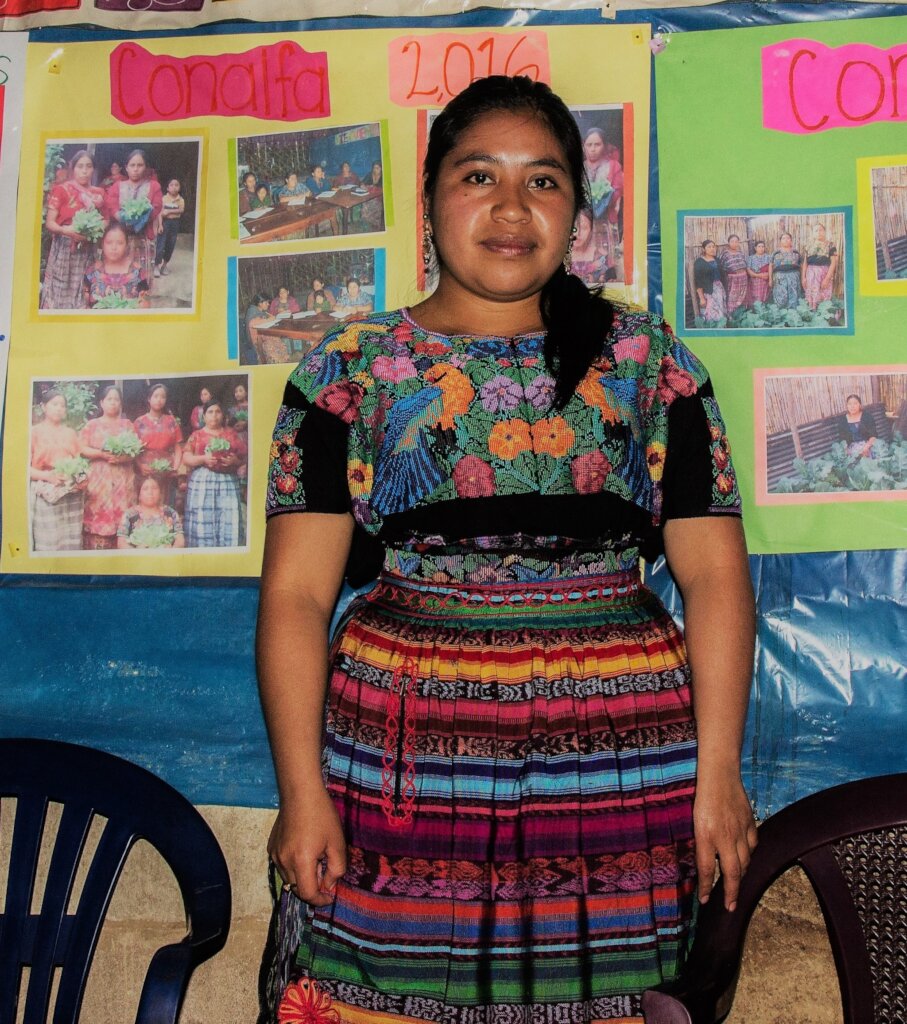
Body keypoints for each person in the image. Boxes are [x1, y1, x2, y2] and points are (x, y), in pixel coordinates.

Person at [258, 75, 756, 1024]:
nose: (509, 207)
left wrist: (719, 776)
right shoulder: (344, 374)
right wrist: (299, 792)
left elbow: (714, 578)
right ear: (431, 196)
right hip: (400, 772)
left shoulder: (653, 366)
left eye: (543, 182)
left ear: (579, 212)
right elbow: (292, 600)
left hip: (619, 769)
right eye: (478, 175)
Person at [40, 150, 107, 310]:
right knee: (60, 288)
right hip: (64, 249)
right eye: (80, 166)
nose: (84, 171)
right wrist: (67, 231)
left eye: (89, 166)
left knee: (83, 289)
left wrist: (94, 231)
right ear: (73, 168)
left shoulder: (98, 194)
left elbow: (106, 219)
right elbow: (50, 223)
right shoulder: (62, 190)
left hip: (87, 249)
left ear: (93, 169)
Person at [79, 385, 138, 550]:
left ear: (120, 403)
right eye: (109, 399)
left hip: (123, 478)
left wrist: (122, 457)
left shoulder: (127, 425)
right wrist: (101, 454)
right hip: (99, 479)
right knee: (98, 508)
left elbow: (135, 451)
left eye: (116, 400)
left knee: (124, 511)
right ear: (102, 402)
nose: (113, 403)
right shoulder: (92, 425)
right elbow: (81, 448)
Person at [182, 401, 247, 547]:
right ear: (204, 416)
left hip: (227, 482)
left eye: (218, 412)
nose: (214, 416)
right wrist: (203, 459)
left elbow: (243, 458)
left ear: (223, 415)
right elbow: (186, 458)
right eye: (210, 412)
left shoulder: (231, 434)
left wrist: (234, 461)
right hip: (203, 482)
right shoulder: (197, 435)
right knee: (203, 517)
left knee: (228, 516)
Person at [30, 389, 86, 552]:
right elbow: (23, 468)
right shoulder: (34, 432)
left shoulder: (70, 433)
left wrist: (79, 478)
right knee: (49, 541)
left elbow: (79, 463)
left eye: (62, 405)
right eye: (54, 404)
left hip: (71, 494)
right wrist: (48, 476)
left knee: (70, 540)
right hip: (46, 494)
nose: (59, 408)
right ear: (43, 406)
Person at [105, 149, 163, 292]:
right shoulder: (118, 186)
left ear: (146, 167)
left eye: (140, 165)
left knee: (141, 282)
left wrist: (140, 219)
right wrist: (120, 216)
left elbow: (156, 207)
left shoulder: (153, 186)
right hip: (121, 240)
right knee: (120, 279)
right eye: (132, 165)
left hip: (144, 239)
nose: (136, 169)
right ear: (126, 167)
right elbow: (111, 204)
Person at [132, 383, 183, 500]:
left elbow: (178, 447)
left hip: (166, 471)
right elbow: (133, 449)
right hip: (145, 471)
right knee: (146, 504)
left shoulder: (171, 421)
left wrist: (174, 468)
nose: (159, 400)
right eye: (155, 396)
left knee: (165, 504)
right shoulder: (139, 422)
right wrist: (140, 465)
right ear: (149, 399)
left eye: (163, 397)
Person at [83, 222, 149, 308]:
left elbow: (145, 304)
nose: (114, 247)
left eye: (120, 243)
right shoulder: (92, 272)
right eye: (109, 242)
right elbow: (85, 304)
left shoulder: (138, 272)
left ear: (126, 245)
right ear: (102, 244)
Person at [117, 475, 186, 549]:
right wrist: (137, 553)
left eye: (154, 488)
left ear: (160, 492)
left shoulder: (171, 513)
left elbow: (180, 540)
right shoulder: (129, 515)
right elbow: (121, 543)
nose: (150, 492)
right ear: (139, 494)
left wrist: (170, 552)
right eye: (145, 489)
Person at [582, 126, 623, 227]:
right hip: (583, 223)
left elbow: (618, 191)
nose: (592, 149)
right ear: (583, 147)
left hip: (606, 221)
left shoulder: (614, 166)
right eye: (589, 145)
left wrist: (603, 199)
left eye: (597, 144)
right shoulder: (578, 168)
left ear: (604, 146)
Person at [569, 206, 614, 285]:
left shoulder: (602, 258)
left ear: (591, 231)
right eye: (574, 228)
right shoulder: (558, 259)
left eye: (584, 228)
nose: (578, 234)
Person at [801, 223, 838, 311]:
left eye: (821, 230)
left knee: (824, 291)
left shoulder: (831, 245)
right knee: (812, 293)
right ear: (813, 233)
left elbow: (833, 263)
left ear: (824, 232)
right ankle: (812, 312)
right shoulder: (808, 246)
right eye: (816, 230)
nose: (818, 232)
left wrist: (827, 278)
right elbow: (805, 263)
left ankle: (824, 313)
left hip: (824, 273)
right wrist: (803, 278)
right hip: (810, 273)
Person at [154, 178, 185, 277]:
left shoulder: (180, 200)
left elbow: (181, 210)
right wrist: (160, 225)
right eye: (171, 185)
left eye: (176, 185)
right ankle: (156, 267)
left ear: (179, 188)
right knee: (160, 245)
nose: (174, 187)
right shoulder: (164, 199)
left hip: (175, 224)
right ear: (167, 188)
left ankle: (164, 265)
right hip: (164, 223)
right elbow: (160, 213)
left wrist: (170, 211)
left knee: (170, 245)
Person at [694, 238, 727, 322]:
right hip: (708, 291)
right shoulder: (699, 262)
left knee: (721, 309)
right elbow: (698, 281)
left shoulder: (717, 260)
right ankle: (712, 328)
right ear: (703, 249)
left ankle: (721, 327)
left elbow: (722, 274)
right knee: (711, 311)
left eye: (713, 247)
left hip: (719, 288)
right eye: (709, 247)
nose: (712, 249)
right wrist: (701, 298)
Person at [769, 232, 802, 309]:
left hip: (794, 275)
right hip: (780, 276)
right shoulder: (776, 253)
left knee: (794, 294)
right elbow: (770, 266)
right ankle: (781, 313)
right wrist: (770, 279)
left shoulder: (796, 252)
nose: (786, 240)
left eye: (788, 238)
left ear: (791, 240)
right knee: (781, 295)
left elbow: (801, 265)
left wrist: (801, 277)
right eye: (783, 238)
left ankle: (793, 313)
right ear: (780, 241)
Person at [838, 394, 877, 458]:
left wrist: (866, 447)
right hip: (852, 449)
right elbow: (842, 440)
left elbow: (873, 436)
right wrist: (846, 452)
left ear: (860, 405)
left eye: (855, 403)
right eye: (849, 404)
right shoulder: (843, 420)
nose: (852, 406)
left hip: (867, 446)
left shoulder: (867, 417)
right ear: (847, 406)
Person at [245, 293, 273, 363]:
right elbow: (253, 323)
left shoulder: (261, 310)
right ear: (260, 303)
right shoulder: (252, 311)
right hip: (256, 341)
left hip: (262, 335)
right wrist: (269, 319)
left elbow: (267, 317)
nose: (268, 304)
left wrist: (269, 317)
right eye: (266, 303)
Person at [746, 239, 771, 306]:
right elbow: (748, 270)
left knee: (765, 297)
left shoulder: (768, 257)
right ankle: (756, 312)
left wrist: (767, 275)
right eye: (759, 246)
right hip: (754, 282)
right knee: (755, 298)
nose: (761, 248)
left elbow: (771, 269)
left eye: (762, 246)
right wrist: (759, 275)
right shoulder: (750, 258)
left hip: (765, 281)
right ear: (755, 248)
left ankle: (764, 311)